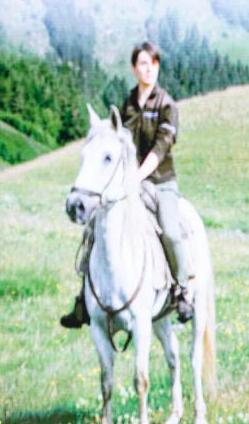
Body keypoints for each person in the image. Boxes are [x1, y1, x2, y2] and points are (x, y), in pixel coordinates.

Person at [60, 41, 194, 327]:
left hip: (160, 181)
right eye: (143, 64)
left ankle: (182, 290)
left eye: (153, 64)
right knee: (94, 229)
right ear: (134, 69)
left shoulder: (167, 104)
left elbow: (161, 147)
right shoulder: (128, 105)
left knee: (170, 230)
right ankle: (84, 300)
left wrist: (137, 175)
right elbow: (116, 141)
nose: (149, 69)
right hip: (129, 183)